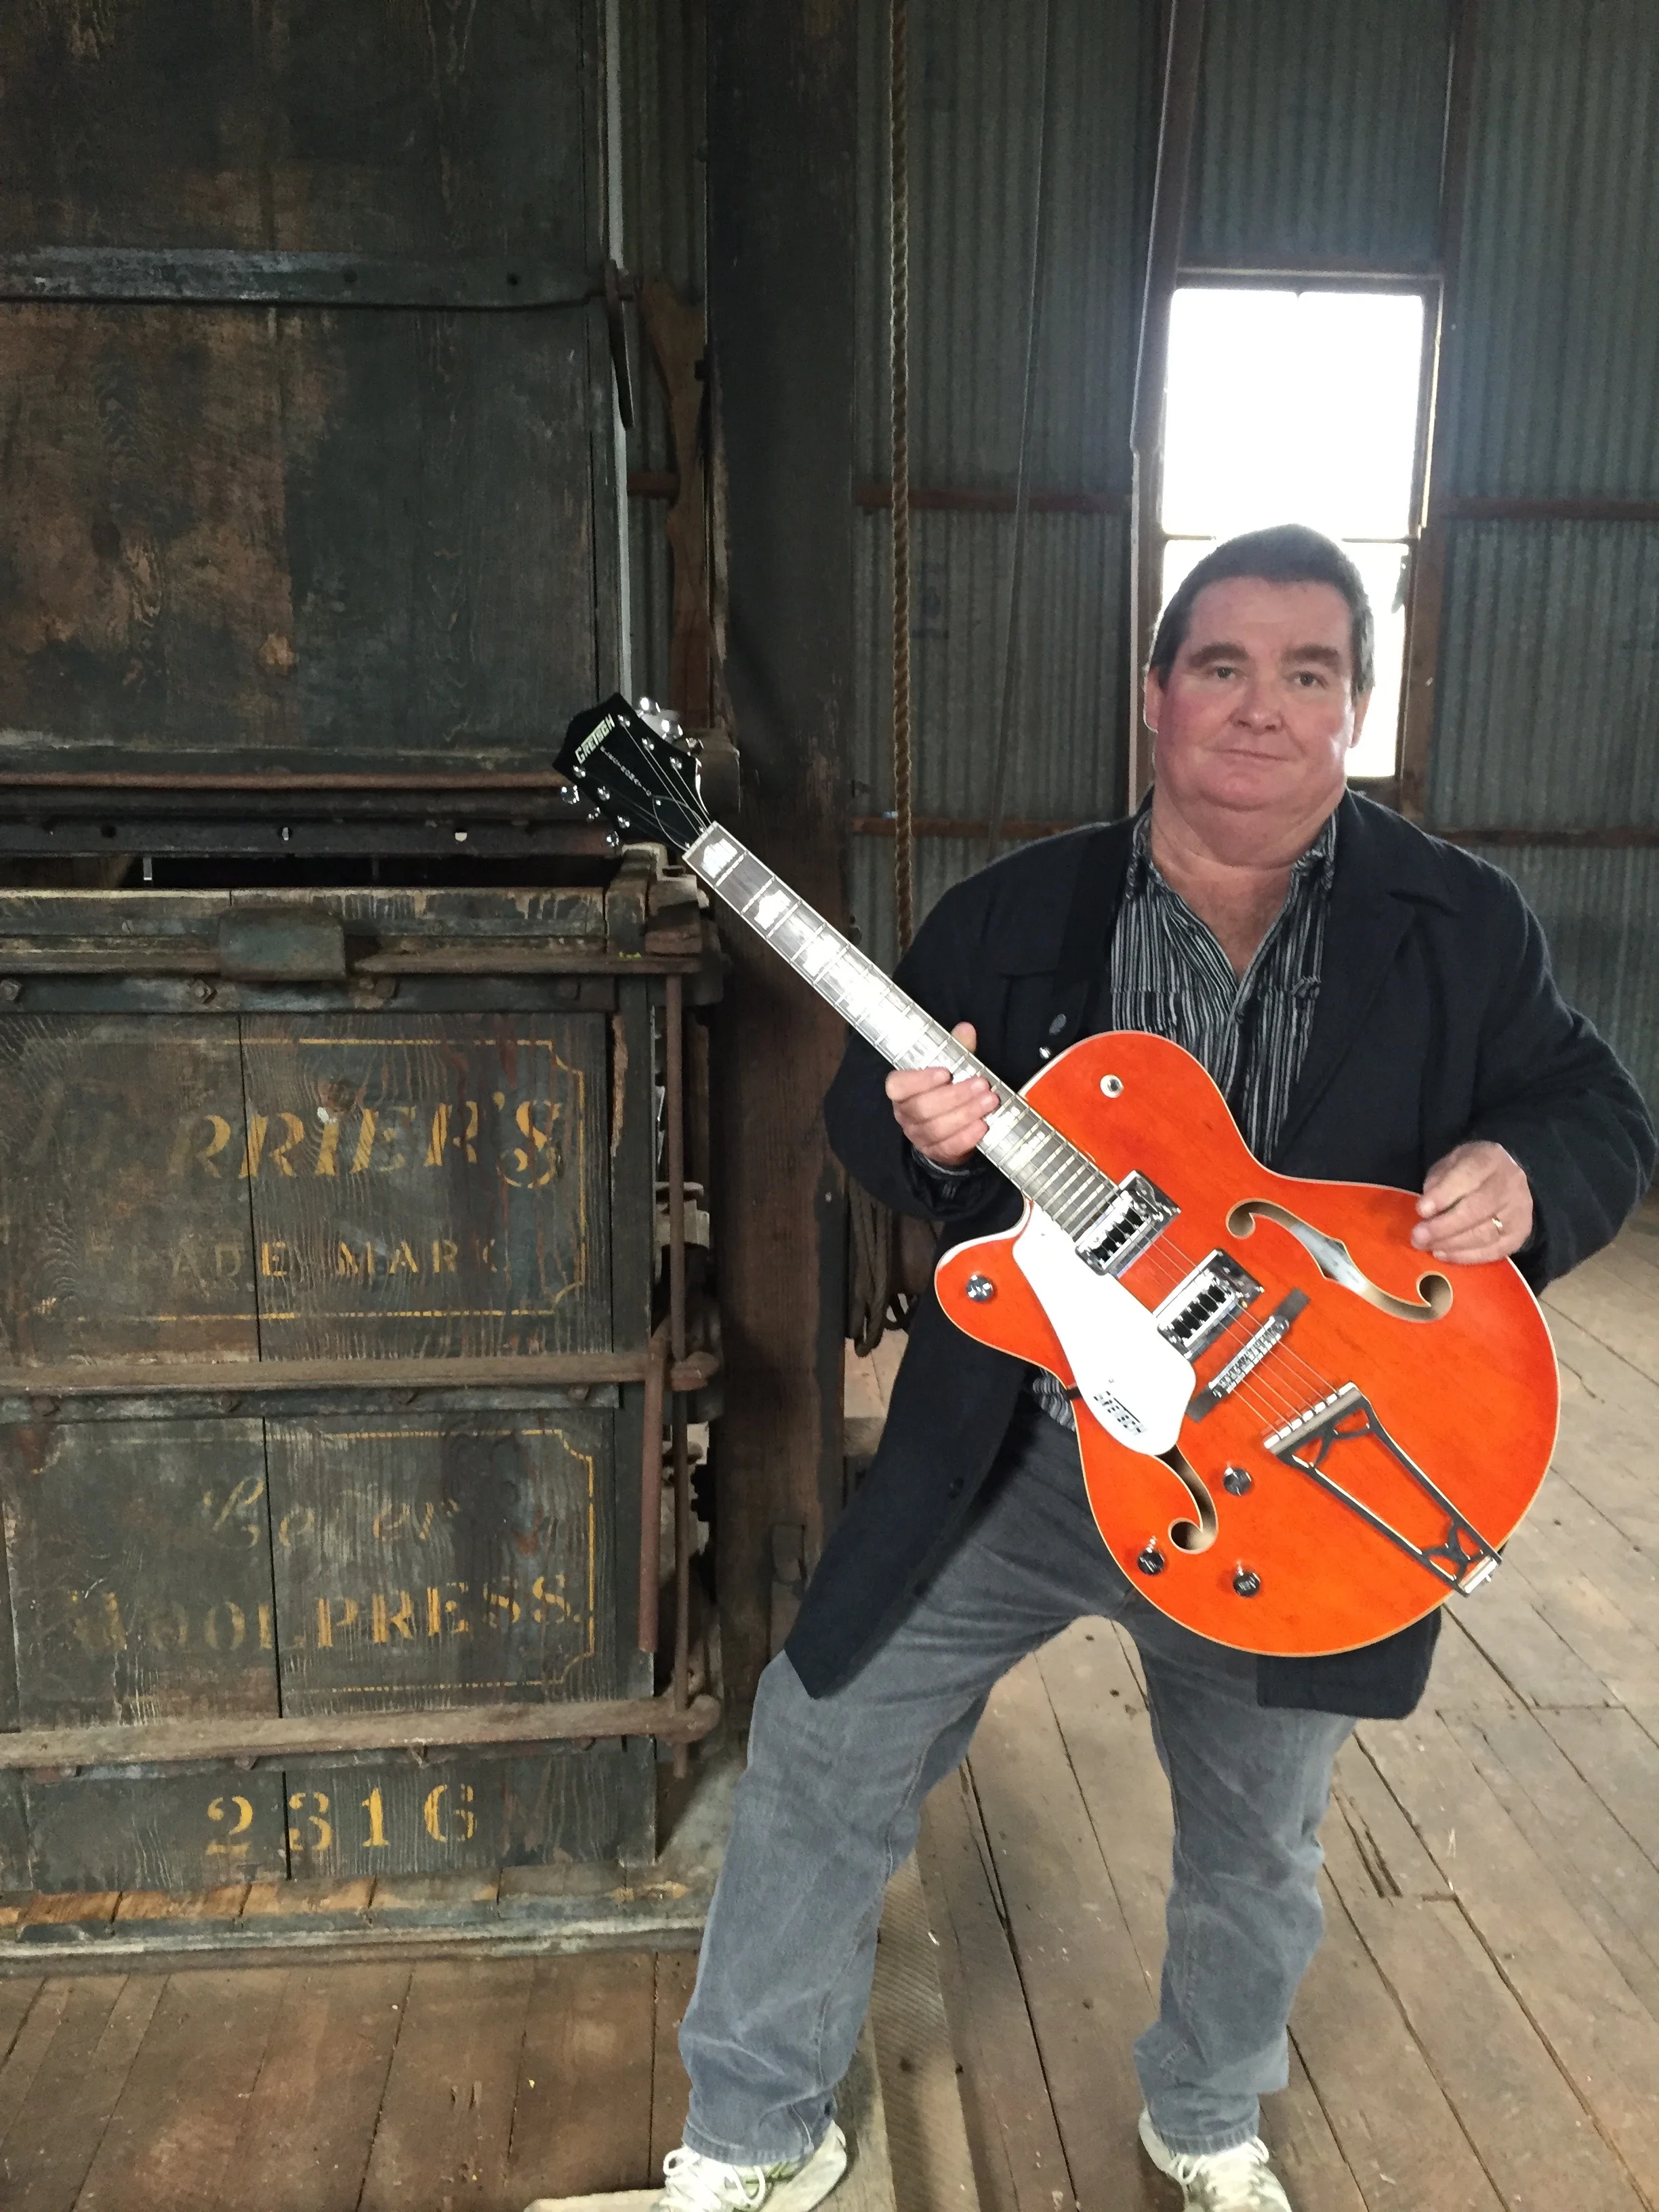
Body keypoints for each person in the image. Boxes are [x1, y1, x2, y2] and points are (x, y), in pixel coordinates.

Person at [649, 526, 1657, 2212]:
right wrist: (927, 1135)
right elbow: (880, 1141)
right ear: (1156, 697)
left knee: (1258, 1839)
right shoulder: (1019, 916)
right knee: (822, 1742)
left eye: (1309, 673)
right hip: (1021, 1457)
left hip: (1300, 1461)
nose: (1263, 708)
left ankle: (1206, 2114)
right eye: (1223, 666)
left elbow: (1596, 1111)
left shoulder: (1458, 925)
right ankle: (753, 2126)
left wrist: (1535, 1175)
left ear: (1357, 707)